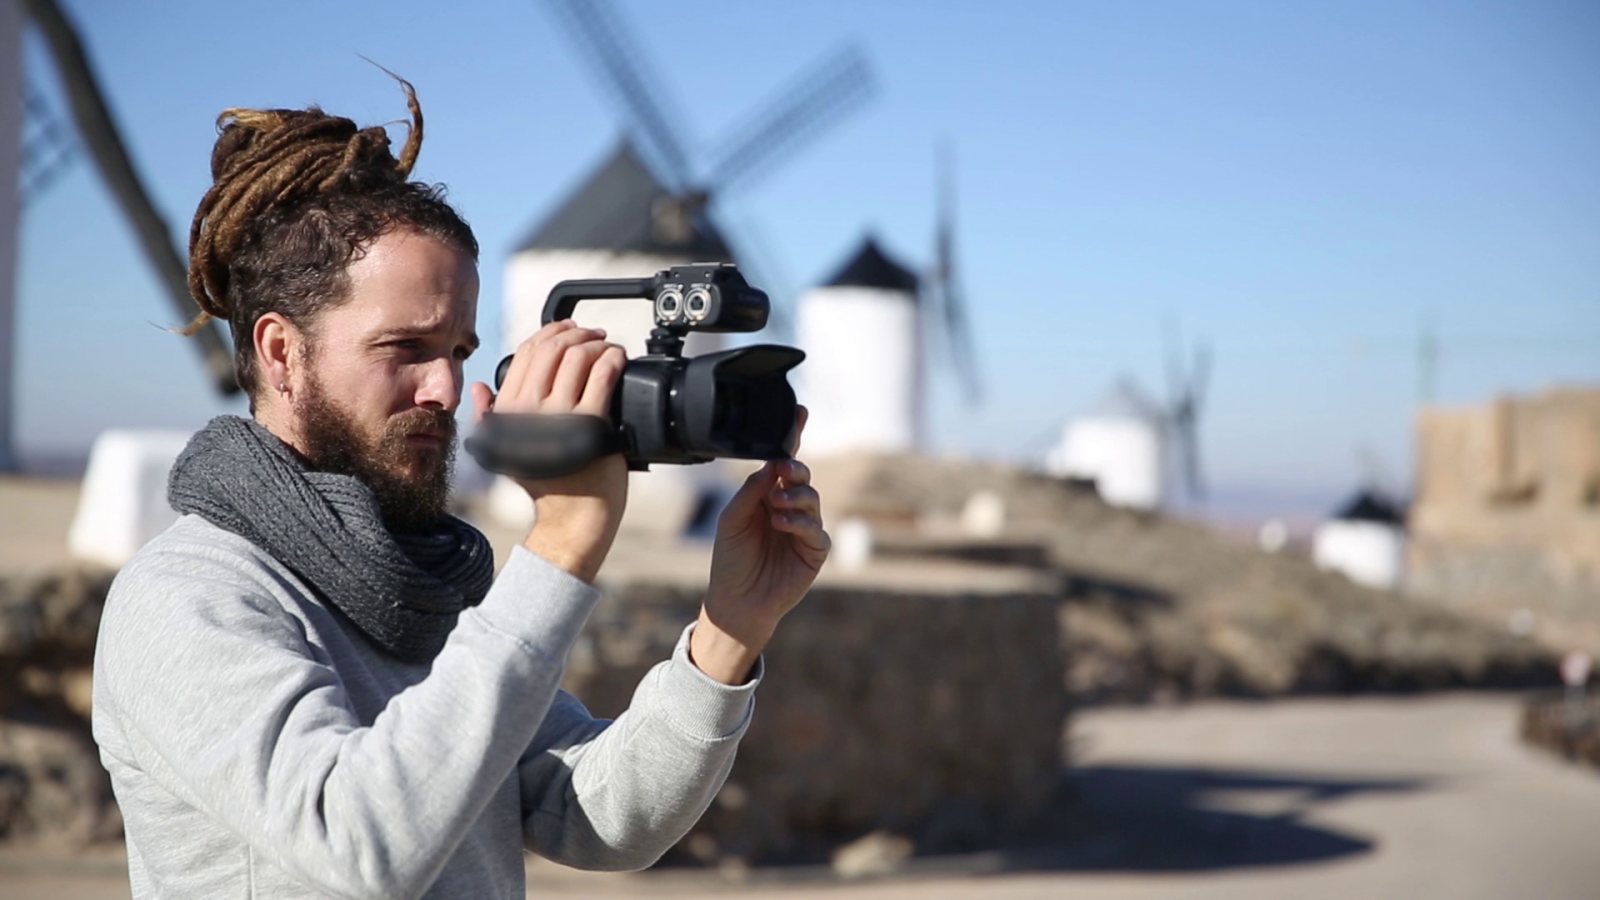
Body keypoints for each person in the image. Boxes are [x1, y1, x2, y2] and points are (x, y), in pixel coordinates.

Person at [90, 78, 828, 899]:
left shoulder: (428, 587)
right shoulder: (190, 594)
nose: (445, 387)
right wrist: (561, 543)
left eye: (461, 349)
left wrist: (732, 628)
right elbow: (359, 844)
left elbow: (596, 818)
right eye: (404, 347)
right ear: (280, 353)